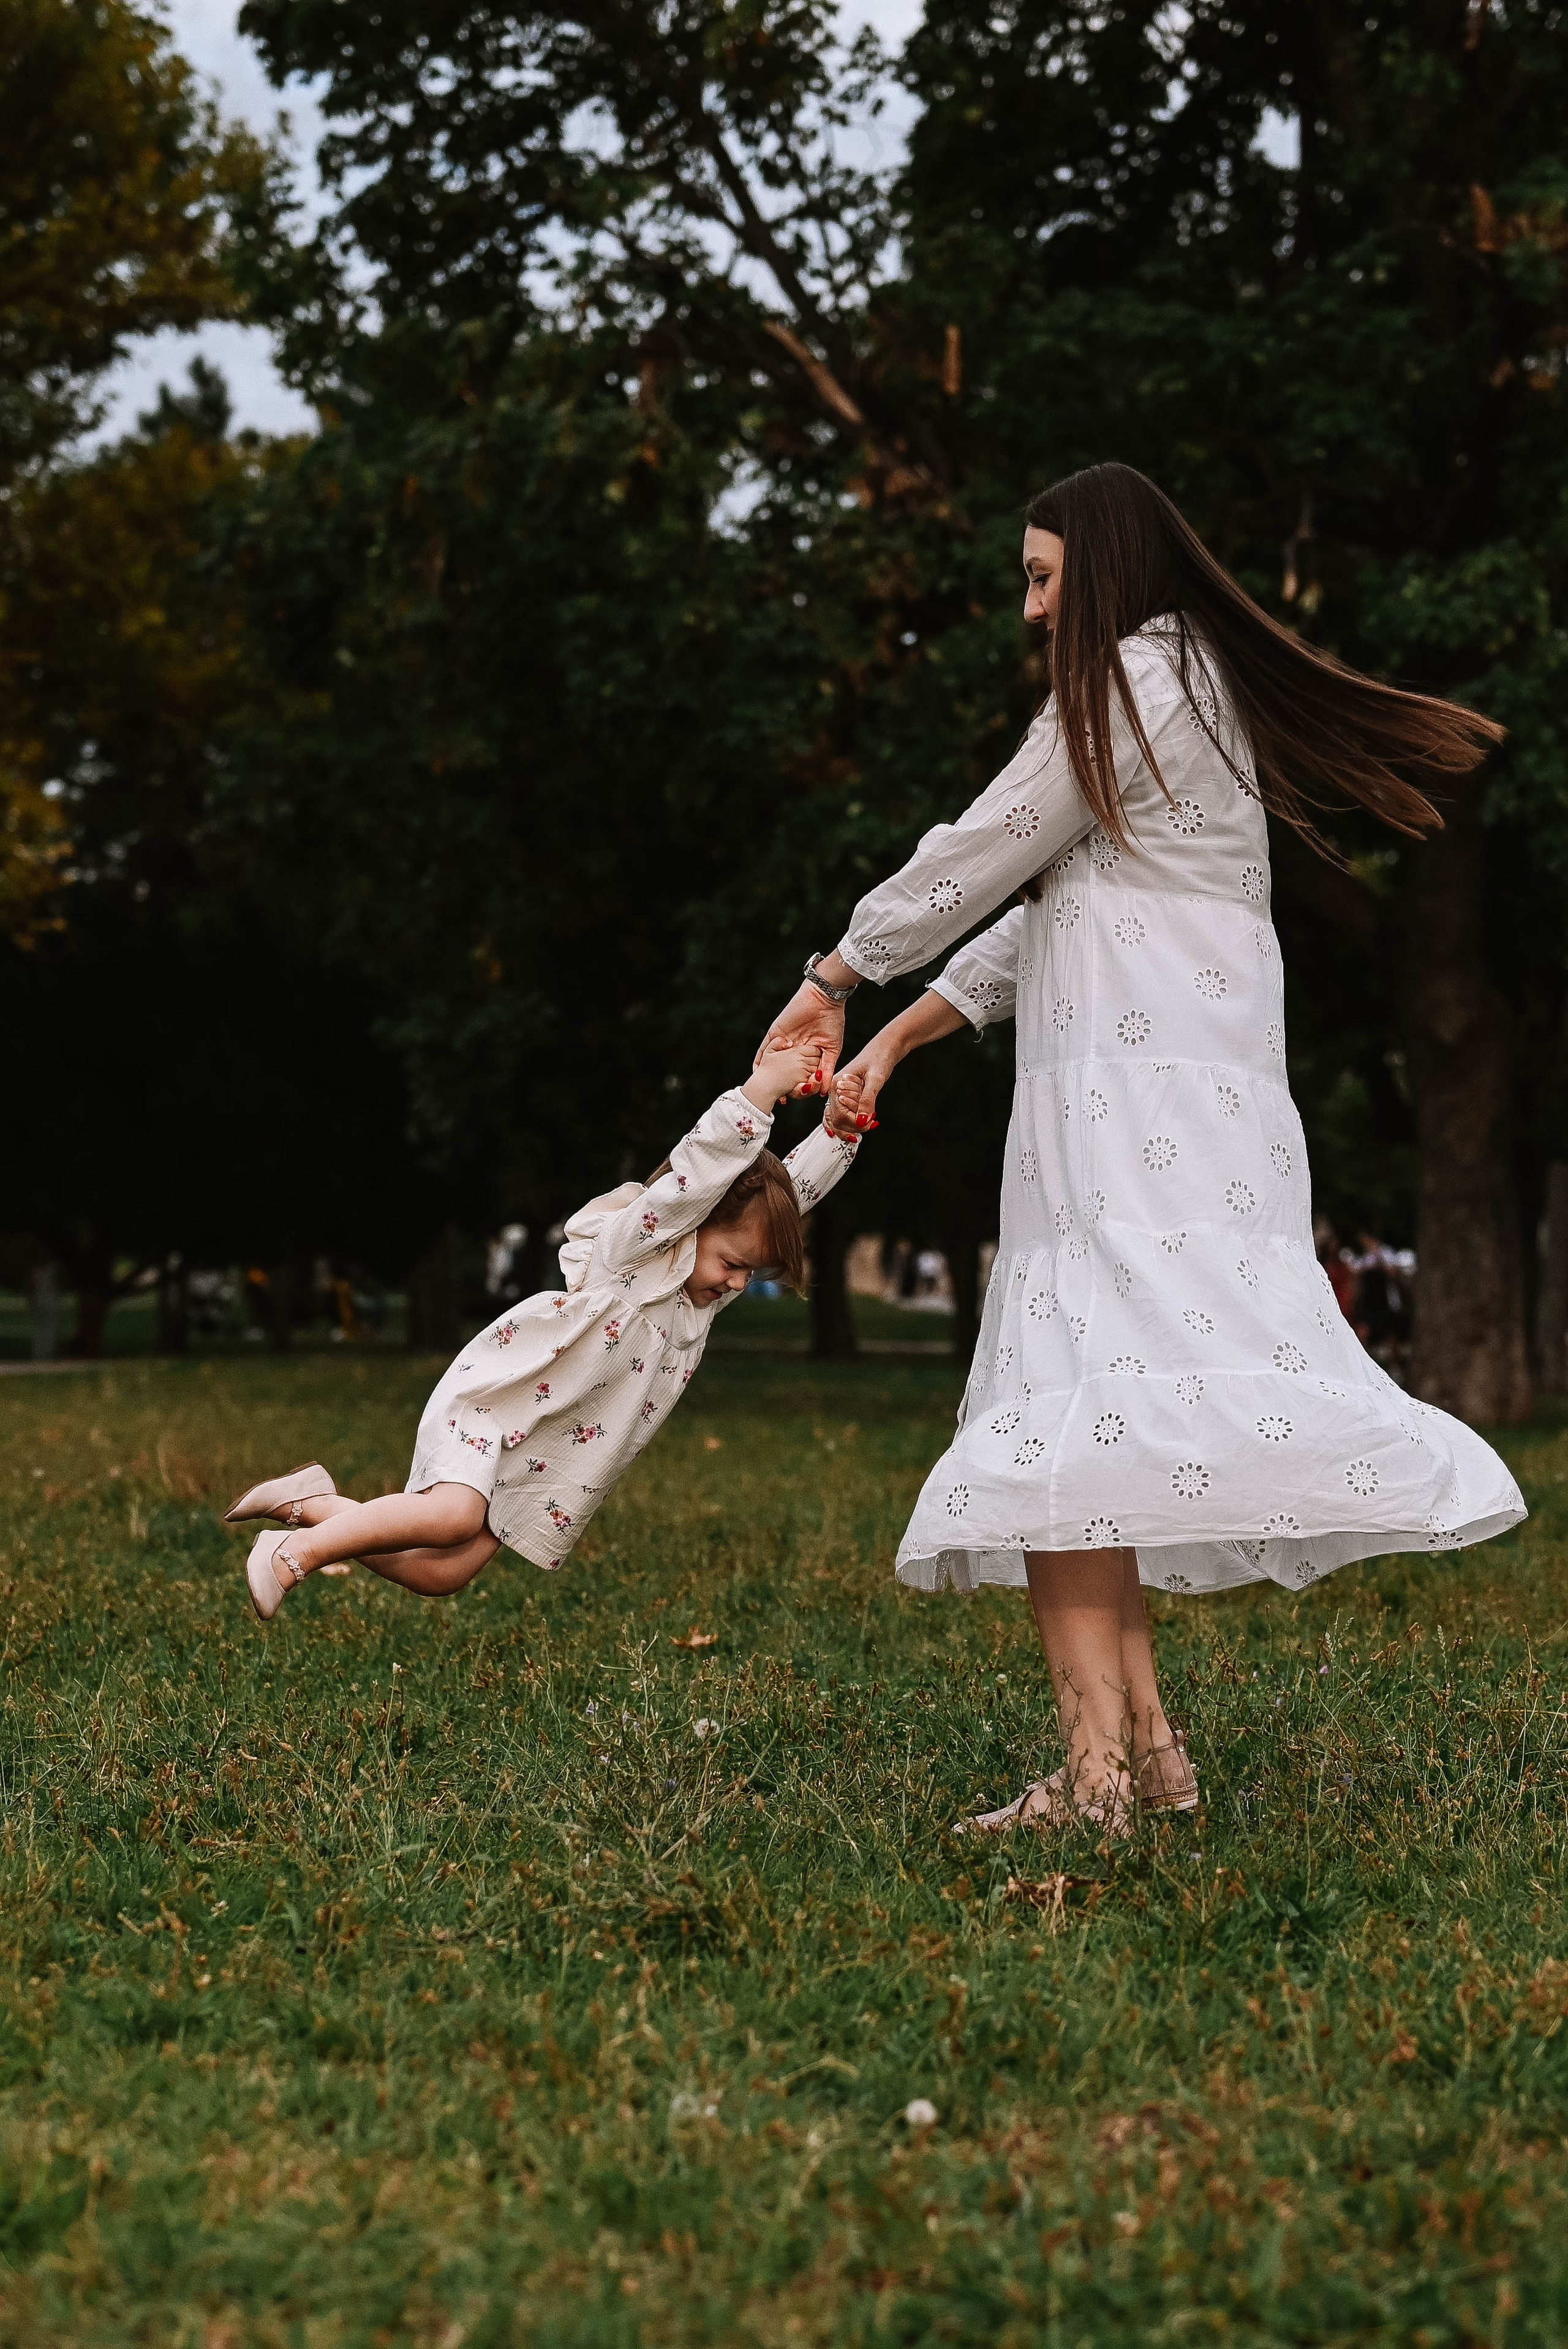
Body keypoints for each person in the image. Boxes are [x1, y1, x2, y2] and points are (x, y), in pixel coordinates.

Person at [761, 461, 1526, 1833]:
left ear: (1106, 570)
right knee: (1093, 1420)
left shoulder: (1126, 685)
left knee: (1066, 1423)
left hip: (1132, 1123)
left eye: (1043, 577)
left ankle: (1096, 1782)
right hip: (1170, 1124)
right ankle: (1145, 1757)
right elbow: (1047, 898)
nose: (1028, 610)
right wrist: (899, 1040)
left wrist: (837, 972)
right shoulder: (1187, 694)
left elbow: (985, 846)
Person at [227, 1040, 858, 1618]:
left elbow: (789, 1196)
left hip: (539, 1450)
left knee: (439, 1572)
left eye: (752, 1271)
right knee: (451, 1515)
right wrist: (763, 1088)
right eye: (734, 1264)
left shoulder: (693, 1305)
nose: (738, 1283)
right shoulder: (636, 1255)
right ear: (689, 1223)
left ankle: (310, 1503)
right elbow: (702, 1167)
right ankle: (293, 1553)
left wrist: (838, 1135)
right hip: (497, 1405)